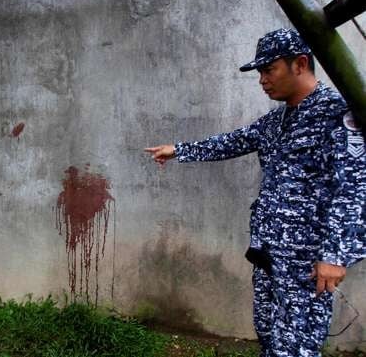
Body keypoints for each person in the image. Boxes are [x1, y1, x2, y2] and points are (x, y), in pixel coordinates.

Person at [145, 28, 365, 357]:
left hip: (306, 261)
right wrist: (178, 150)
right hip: (268, 254)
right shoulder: (277, 120)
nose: (262, 79)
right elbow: (233, 141)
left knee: (296, 346)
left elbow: (352, 188)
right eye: (260, 72)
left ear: (300, 64)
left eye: (269, 69)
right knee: (269, 335)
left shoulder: (336, 115)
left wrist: (334, 255)